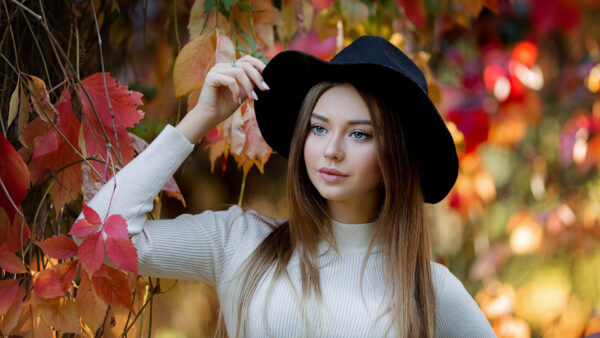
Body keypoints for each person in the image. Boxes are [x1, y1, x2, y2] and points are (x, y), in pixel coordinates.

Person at [78, 36, 497, 337]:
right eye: (318, 128)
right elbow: (97, 232)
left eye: (359, 135)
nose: (330, 150)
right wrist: (199, 121)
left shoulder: (429, 289)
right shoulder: (240, 242)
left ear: (397, 158)